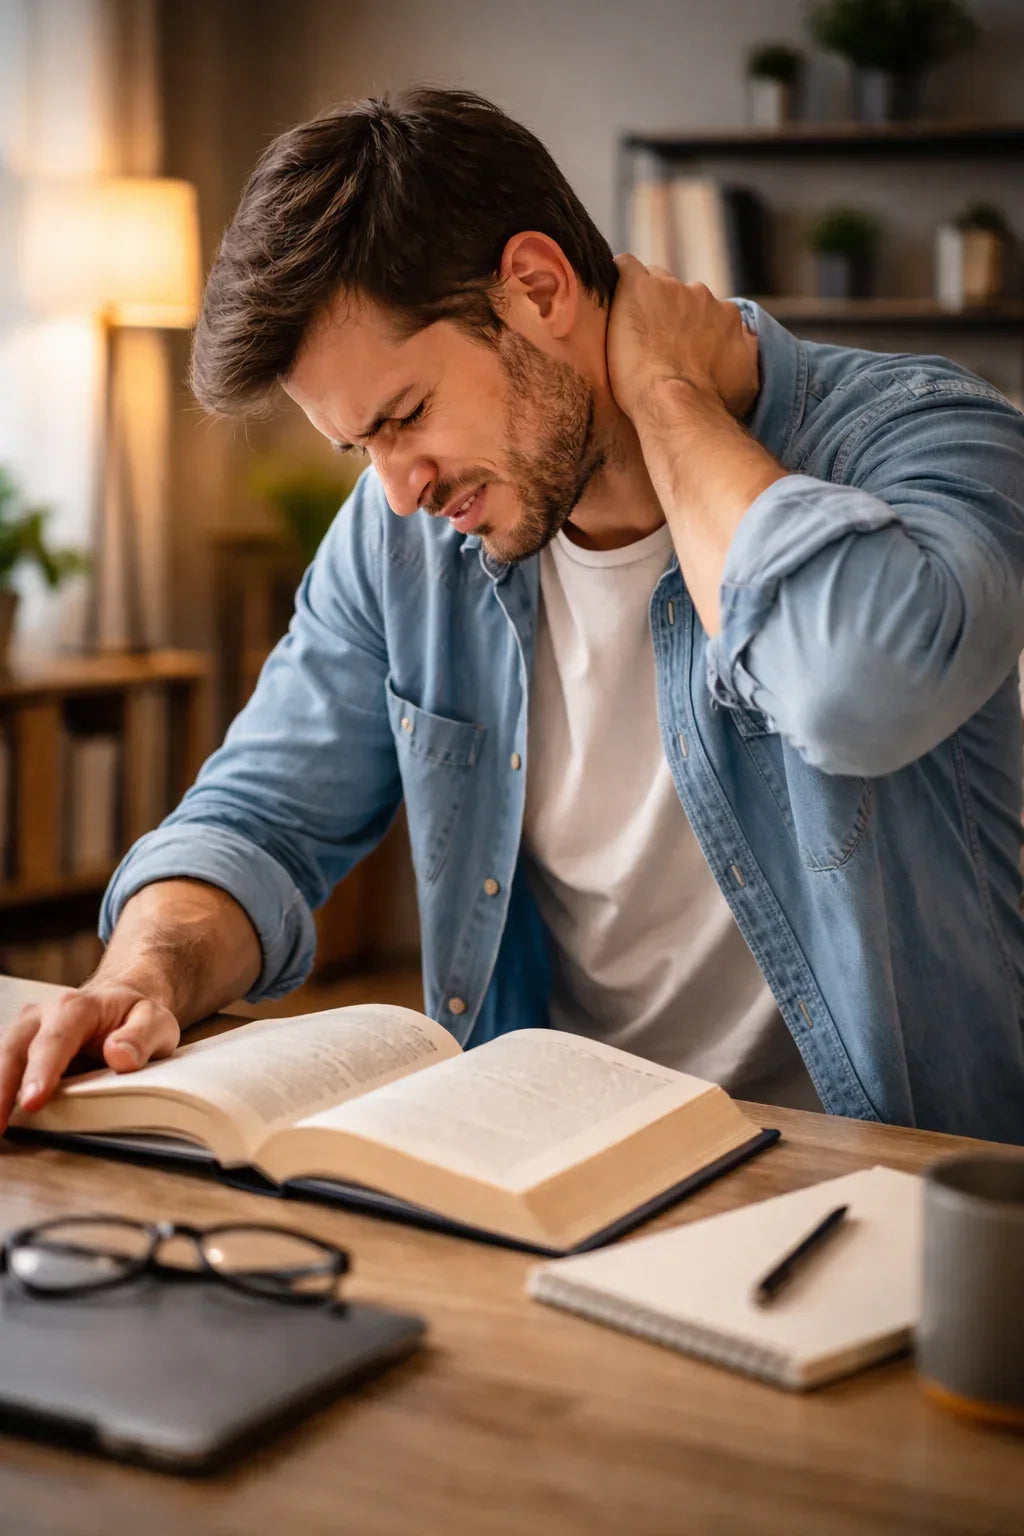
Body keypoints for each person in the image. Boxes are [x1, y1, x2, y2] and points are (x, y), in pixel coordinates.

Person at [2, 86, 1023, 1144]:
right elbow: (258, 814)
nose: (399, 489)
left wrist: (667, 391)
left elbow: (855, 692)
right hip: (556, 1165)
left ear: (538, 287)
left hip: (891, 1185)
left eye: (405, 417)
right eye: (361, 447)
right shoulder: (405, 527)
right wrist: (141, 977)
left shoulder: (926, 434)